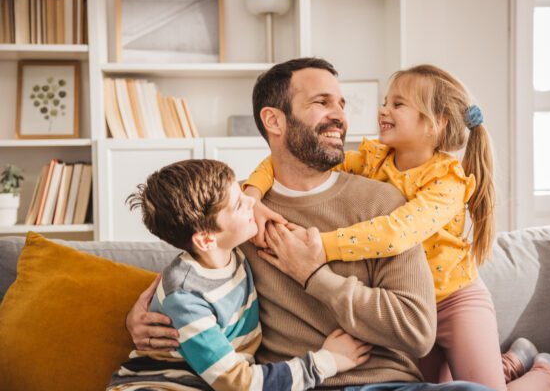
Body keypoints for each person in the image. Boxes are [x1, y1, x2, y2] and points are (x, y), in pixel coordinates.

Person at [125, 58, 493, 391]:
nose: (339, 116)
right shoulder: (238, 212)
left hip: (384, 382)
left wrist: (315, 276)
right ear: (274, 120)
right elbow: (189, 274)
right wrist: (135, 317)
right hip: (295, 383)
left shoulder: (388, 204)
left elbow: (417, 332)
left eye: (341, 104)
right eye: (322, 103)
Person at [243, 64, 550, 391]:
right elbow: (275, 162)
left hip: (453, 299)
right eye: (385, 102)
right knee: (446, 387)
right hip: (414, 306)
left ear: (435, 123)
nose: (382, 110)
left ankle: (546, 374)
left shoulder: (446, 182)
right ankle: (512, 362)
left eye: (398, 104)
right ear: (274, 120)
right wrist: (250, 196)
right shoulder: (374, 161)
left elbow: (396, 233)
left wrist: (320, 249)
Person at [106, 159, 372, 391]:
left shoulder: (232, 250)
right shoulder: (186, 297)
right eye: (238, 204)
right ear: (206, 240)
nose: (251, 201)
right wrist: (327, 361)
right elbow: (240, 384)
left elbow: (265, 170)